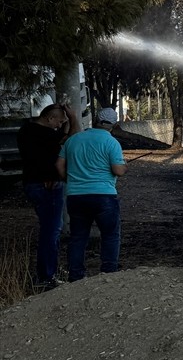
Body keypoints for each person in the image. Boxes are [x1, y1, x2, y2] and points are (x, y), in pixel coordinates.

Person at [56, 107, 126, 282]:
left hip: (76, 196)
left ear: (95, 119)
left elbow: (58, 165)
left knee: (78, 237)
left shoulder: (73, 140)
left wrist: (70, 180)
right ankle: (109, 273)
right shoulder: (112, 143)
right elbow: (118, 170)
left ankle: (76, 275)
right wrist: (125, 167)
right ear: (114, 125)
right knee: (110, 235)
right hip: (104, 196)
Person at [18, 102, 80, 289]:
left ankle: (50, 270)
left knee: (50, 229)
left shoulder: (27, 130)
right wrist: (74, 117)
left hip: (32, 183)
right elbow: (73, 137)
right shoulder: (44, 134)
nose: (60, 125)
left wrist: (65, 123)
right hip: (47, 186)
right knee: (52, 230)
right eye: (59, 122)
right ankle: (46, 276)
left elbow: (62, 137)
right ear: (49, 118)